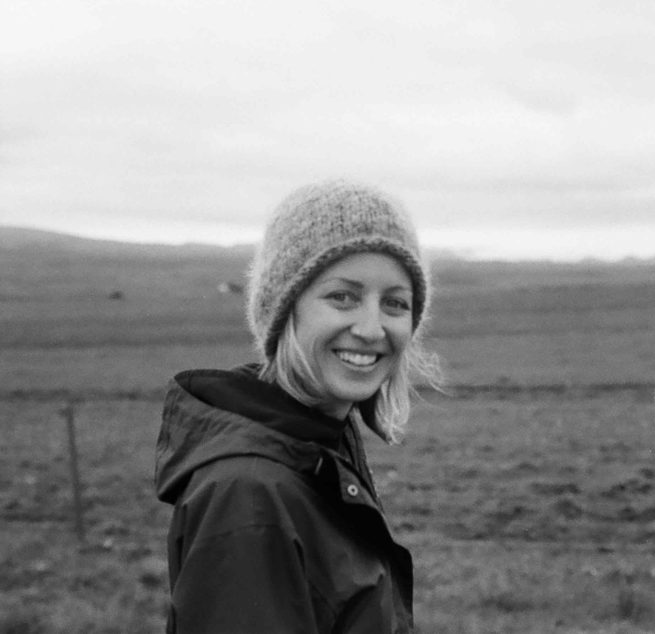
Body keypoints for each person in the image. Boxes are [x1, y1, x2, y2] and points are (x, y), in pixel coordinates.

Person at [155, 180, 441, 633]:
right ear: (285, 309)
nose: (371, 328)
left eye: (395, 303)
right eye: (342, 296)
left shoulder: (320, 442)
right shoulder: (250, 493)